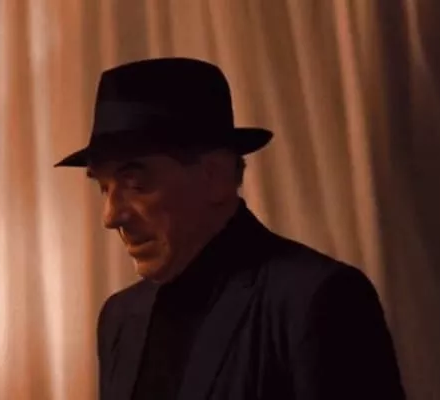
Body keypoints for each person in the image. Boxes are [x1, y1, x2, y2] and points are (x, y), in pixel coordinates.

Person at [55, 57, 405, 400]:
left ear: (216, 176)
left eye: (135, 185)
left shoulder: (320, 299)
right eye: (104, 188)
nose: (111, 216)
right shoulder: (119, 319)